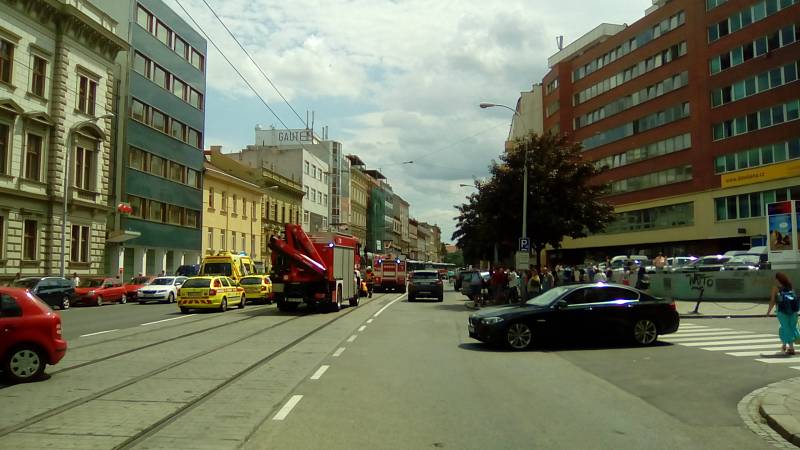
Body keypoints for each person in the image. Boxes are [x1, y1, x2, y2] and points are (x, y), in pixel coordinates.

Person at [767, 272, 800, 355]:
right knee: (790, 327)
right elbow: (794, 298)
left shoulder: (776, 288)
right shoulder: (789, 286)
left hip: (781, 311)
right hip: (793, 310)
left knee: (785, 327)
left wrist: (768, 311)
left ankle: (791, 348)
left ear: (778, 279)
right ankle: (784, 344)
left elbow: (772, 301)